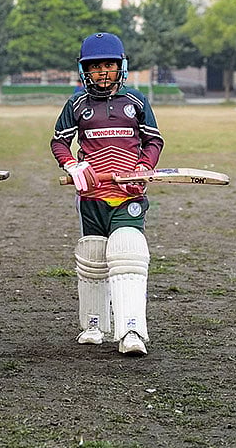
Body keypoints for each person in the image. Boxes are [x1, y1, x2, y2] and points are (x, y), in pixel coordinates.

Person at [50, 32, 164, 357]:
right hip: (92, 197)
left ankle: (131, 330)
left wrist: (143, 167)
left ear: (121, 68)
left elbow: (154, 141)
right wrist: (72, 165)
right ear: (84, 70)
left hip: (128, 195)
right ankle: (94, 324)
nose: (102, 72)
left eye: (109, 66)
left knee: (128, 252)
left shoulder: (136, 102)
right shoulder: (77, 105)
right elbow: (59, 141)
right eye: (95, 66)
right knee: (93, 256)